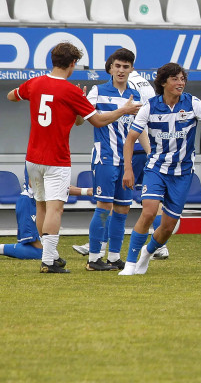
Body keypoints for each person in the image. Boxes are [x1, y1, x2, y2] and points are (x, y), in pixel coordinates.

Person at [6, 42, 141, 273]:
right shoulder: (70, 91)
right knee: (55, 209)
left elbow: (11, 96)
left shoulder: (35, 83)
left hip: (32, 157)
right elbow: (96, 121)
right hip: (56, 159)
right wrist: (123, 111)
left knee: (41, 206)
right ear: (72, 64)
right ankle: (48, 261)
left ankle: (52, 255)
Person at [119, 63, 201, 276]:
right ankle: (130, 264)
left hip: (182, 174)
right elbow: (130, 139)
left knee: (168, 227)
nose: (180, 83)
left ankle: (147, 253)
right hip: (156, 169)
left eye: (182, 79)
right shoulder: (150, 107)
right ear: (163, 83)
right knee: (149, 211)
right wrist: (128, 169)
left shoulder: (193, 104)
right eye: (175, 79)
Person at [78, 49, 147, 271]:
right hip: (105, 157)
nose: (121, 70)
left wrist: (152, 154)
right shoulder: (97, 91)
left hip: (127, 160)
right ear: (110, 68)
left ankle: (114, 257)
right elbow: (86, 121)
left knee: (123, 209)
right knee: (104, 207)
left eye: (126, 67)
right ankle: (94, 258)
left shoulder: (135, 95)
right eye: (117, 66)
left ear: (132, 69)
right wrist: (122, 110)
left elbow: (140, 129)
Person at [2, 181, 92, 260]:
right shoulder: (40, 162)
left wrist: (86, 191)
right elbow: (34, 183)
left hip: (36, 203)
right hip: (31, 203)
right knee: (41, 252)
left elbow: (59, 186)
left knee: (47, 251)